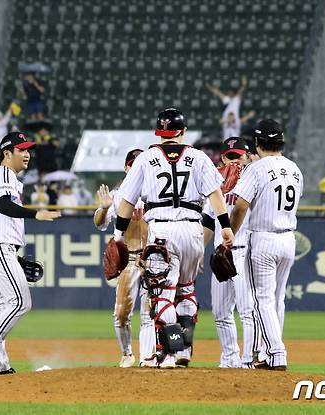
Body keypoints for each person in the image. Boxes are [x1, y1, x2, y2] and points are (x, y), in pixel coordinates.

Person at [111, 108, 234, 368]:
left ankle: (169, 353)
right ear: (183, 132)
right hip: (193, 229)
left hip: (162, 230)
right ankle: (184, 351)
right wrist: (225, 227)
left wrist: (118, 235)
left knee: (163, 294)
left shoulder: (146, 159)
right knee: (187, 291)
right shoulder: (200, 157)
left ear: (159, 132)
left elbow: (126, 202)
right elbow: (215, 196)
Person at [0, 132, 61, 376]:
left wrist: (15, 257)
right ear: (7, 154)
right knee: (21, 301)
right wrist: (36, 214)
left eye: (28, 149)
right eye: (21, 150)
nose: (27, 154)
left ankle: (0, 364)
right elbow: (3, 205)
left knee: (0, 308)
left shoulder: (7, 177)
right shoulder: (3, 173)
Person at [229, 119, 304, 371]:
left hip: (263, 238)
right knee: (277, 299)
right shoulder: (295, 169)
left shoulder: (256, 169)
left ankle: (276, 352)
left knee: (262, 299)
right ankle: (266, 350)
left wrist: (230, 232)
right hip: (288, 238)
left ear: (258, 143)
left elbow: (240, 206)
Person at [94, 149, 156, 368]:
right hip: (128, 259)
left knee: (151, 312)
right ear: (126, 167)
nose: (136, 168)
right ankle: (127, 353)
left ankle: (148, 357)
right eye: (132, 164)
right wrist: (104, 207)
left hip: (153, 258)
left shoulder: (156, 192)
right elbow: (100, 223)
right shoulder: (118, 195)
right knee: (121, 312)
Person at [205, 137, 256, 369]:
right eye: (230, 156)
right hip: (221, 252)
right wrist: (198, 253)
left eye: (239, 155)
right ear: (223, 158)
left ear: (248, 156)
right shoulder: (214, 184)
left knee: (247, 311)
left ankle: (249, 359)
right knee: (221, 311)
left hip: (246, 251)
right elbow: (207, 220)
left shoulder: (256, 179)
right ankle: (229, 359)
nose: (235, 160)